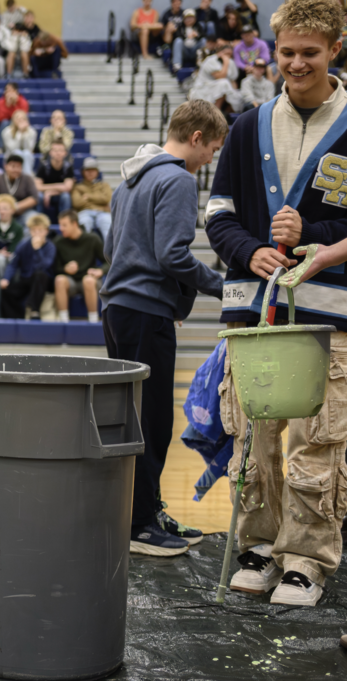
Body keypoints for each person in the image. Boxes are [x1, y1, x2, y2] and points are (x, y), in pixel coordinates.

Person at [205, 0, 347, 605]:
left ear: (335, 49)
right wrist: (248, 252)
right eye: (285, 52)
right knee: (254, 438)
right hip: (254, 314)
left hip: (330, 316)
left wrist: (312, 239)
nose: (295, 63)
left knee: (319, 439)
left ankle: (307, 560)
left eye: (309, 53)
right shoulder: (246, 125)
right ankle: (258, 546)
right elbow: (218, 214)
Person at [104, 104, 227, 559]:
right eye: (212, 149)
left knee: (134, 419)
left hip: (118, 309)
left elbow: (109, 248)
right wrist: (223, 286)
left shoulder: (130, 179)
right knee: (152, 422)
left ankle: (145, 512)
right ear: (196, 137)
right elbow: (173, 256)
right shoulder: (176, 179)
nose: (210, 160)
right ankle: (140, 525)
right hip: (144, 311)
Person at [53, 211, 108, 323]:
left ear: (75, 224)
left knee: (87, 280)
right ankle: (64, 322)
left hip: (90, 280)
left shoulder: (92, 239)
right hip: (71, 282)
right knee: (59, 280)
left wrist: (100, 271)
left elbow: (108, 262)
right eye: (60, 225)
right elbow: (55, 268)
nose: (60, 228)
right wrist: (65, 269)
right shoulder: (58, 242)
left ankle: (93, 321)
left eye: (64, 225)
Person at [1, 212, 56, 319]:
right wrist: (6, 279)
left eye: (40, 230)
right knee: (5, 291)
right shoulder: (23, 245)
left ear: (46, 231)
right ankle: (16, 317)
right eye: (34, 230)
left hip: (44, 281)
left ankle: (34, 310)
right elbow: (13, 264)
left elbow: (45, 265)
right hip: (26, 279)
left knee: (40, 275)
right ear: (30, 231)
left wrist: (38, 249)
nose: (37, 233)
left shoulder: (50, 246)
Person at [72, 158, 113, 242]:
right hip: (85, 212)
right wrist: (99, 202)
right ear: (83, 172)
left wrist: (87, 196)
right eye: (87, 170)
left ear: (97, 172)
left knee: (107, 223)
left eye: (93, 170)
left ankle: (110, 254)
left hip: (103, 212)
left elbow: (106, 199)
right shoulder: (77, 187)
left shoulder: (104, 185)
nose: (90, 173)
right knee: (84, 223)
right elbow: (76, 203)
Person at [35, 142, 75, 223]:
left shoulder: (68, 167)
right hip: (45, 195)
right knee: (39, 196)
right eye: (55, 150)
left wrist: (50, 192)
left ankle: (65, 223)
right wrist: (60, 186)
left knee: (66, 196)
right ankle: (39, 223)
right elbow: (37, 187)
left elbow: (68, 187)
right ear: (50, 152)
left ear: (65, 153)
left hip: (59, 195)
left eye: (60, 150)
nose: (58, 153)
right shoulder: (44, 166)